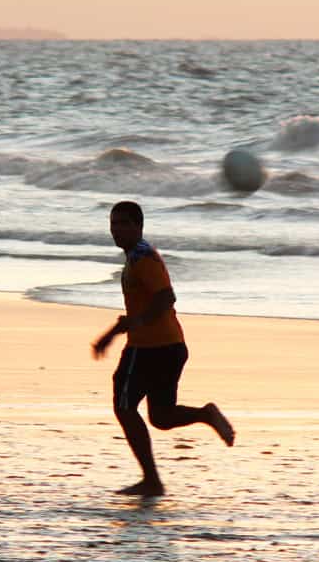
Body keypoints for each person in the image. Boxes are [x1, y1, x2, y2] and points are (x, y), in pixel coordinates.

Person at [92, 201, 234, 497]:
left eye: (123, 224)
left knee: (124, 406)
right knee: (161, 416)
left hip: (149, 348)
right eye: (113, 223)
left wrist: (135, 324)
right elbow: (136, 312)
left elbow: (167, 297)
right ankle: (206, 415)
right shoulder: (136, 256)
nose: (116, 230)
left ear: (138, 226)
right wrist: (115, 331)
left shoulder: (143, 258)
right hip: (171, 347)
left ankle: (151, 480)